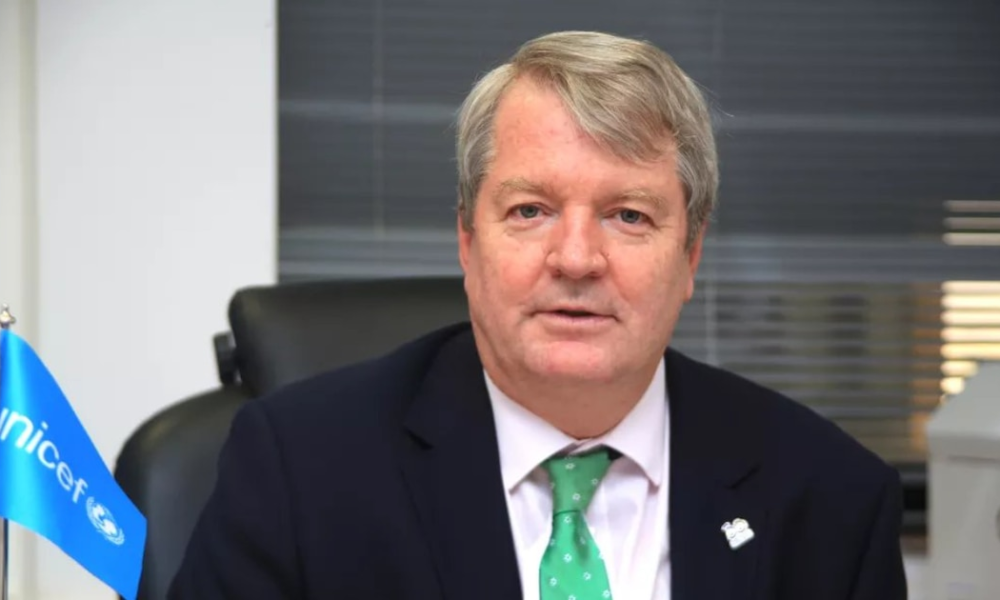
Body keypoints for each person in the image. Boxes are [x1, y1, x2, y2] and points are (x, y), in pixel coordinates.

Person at [170, 31, 907, 599]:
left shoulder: (831, 500)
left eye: (628, 215)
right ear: (468, 241)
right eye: (530, 210)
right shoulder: (301, 472)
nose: (577, 259)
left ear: (690, 254)